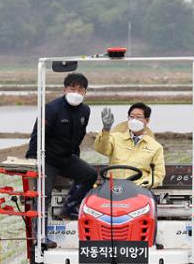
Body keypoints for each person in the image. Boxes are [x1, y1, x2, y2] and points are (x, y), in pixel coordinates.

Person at [26, 73, 98, 248]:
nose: (76, 92)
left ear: (85, 92)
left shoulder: (85, 111)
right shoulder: (52, 109)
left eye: (80, 89)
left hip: (67, 158)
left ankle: (69, 208)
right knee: (43, 195)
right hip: (47, 159)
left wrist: (76, 158)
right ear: (65, 89)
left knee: (89, 175)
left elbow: (79, 136)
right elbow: (38, 134)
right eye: (72, 88)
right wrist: (33, 158)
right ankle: (40, 236)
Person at [94, 102, 165, 188]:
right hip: (113, 187)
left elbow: (158, 175)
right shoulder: (115, 138)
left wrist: (141, 184)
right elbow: (101, 149)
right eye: (131, 117)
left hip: (138, 190)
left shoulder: (156, 147)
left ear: (147, 120)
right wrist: (106, 129)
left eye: (138, 117)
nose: (134, 120)